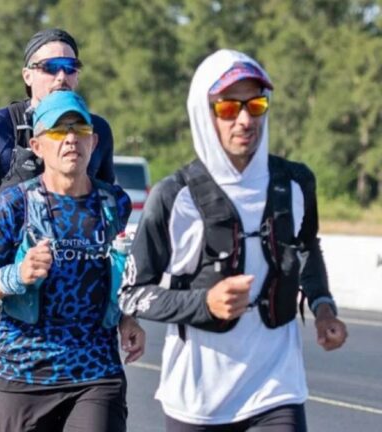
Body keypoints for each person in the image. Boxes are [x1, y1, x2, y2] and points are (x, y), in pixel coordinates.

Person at [118, 49, 348, 432]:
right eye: (228, 108)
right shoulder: (176, 196)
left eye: (255, 105)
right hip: (199, 399)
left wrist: (323, 307)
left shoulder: (294, 183)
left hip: (276, 388)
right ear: (204, 113)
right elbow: (131, 293)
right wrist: (204, 302)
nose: (245, 120)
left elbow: (307, 248)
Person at [0, 28, 116, 431]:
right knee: (2, 419)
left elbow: (107, 217)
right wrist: (12, 231)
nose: (61, 76)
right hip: (7, 299)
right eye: (49, 67)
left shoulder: (95, 131)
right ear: (27, 75)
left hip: (80, 314)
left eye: (70, 67)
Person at [0, 91, 145, 432]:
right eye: (58, 130)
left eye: (79, 129)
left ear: (94, 141)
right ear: (38, 145)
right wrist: (16, 275)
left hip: (96, 371)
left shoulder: (113, 203)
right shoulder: (15, 203)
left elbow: (117, 272)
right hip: (25, 372)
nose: (71, 138)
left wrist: (128, 318)